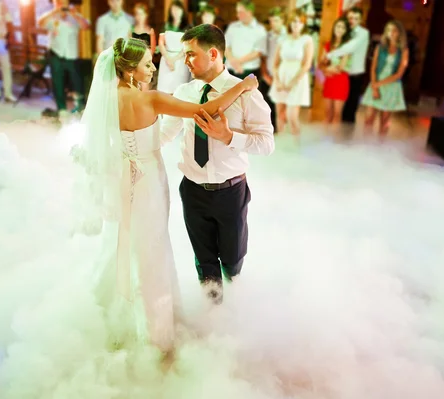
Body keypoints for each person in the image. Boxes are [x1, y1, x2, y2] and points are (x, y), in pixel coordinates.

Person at [74, 37, 258, 357]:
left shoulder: (105, 98)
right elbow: (205, 110)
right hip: (147, 180)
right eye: (147, 63)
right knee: (152, 247)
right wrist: (241, 87)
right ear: (130, 71)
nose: (153, 67)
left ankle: (118, 311)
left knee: (124, 241)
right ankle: (157, 328)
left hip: (121, 176)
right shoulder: (151, 100)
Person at [160, 24, 274, 305]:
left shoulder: (246, 94)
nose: (184, 61)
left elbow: (267, 144)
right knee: (205, 264)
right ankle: (214, 318)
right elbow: (166, 133)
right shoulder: (185, 91)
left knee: (233, 262)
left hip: (230, 193)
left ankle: (236, 307)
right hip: (193, 190)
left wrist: (229, 137)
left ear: (213, 53)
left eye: (190, 54)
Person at [269, 9, 314, 137]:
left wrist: (293, 82)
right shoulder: (283, 39)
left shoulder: (307, 39)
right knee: (280, 114)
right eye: (294, 21)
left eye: (300, 22)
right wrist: (277, 80)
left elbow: (307, 64)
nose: (296, 24)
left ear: (304, 24)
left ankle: (296, 147)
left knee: (292, 116)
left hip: (297, 79)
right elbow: (275, 63)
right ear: (290, 23)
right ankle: (282, 145)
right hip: (282, 77)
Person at [360, 19, 408, 136]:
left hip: (391, 86)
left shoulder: (403, 51)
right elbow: (373, 68)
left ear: (399, 33)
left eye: (394, 30)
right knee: (368, 119)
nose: (391, 33)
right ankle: (363, 147)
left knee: (384, 121)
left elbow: (399, 74)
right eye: (388, 30)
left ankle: (380, 148)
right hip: (376, 82)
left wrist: (379, 84)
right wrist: (374, 86)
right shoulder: (380, 47)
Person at [319, 17, 352, 130]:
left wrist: (327, 69)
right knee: (327, 113)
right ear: (334, 28)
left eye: (343, 27)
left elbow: (341, 67)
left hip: (341, 81)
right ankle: (325, 140)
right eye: (338, 26)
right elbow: (321, 64)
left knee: (337, 114)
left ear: (346, 30)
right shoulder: (328, 45)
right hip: (329, 80)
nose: (339, 29)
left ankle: (333, 143)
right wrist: (326, 69)